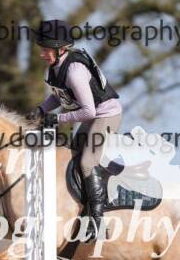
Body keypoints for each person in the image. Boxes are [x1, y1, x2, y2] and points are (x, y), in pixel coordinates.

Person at [27, 19, 122, 241]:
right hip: (93, 115)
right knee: (73, 156)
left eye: (46, 49)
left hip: (106, 115)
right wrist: (41, 110)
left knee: (87, 162)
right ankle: (81, 208)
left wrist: (57, 118)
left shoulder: (75, 71)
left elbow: (88, 111)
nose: (42, 54)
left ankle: (97, 221)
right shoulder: (56, 67)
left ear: (61, 48)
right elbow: (59, 96)